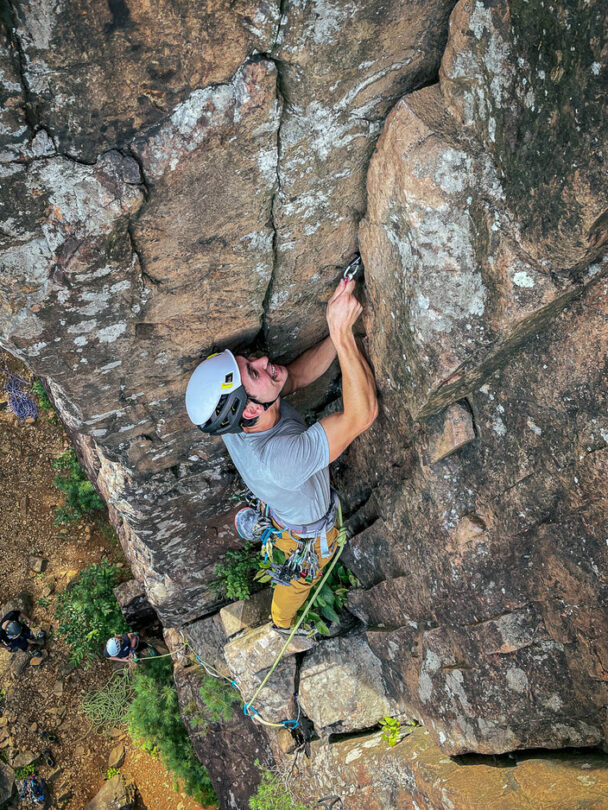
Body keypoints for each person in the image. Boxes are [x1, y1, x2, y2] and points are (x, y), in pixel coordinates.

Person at [185, 275, 378, 633]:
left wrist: (338, 325)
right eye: (253, 372)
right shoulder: (280, 459)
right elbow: (360, 415)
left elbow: (298, 377)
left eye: (251, 362)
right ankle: (282, 624)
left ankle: (265, 528)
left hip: (281, 502)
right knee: (298, 581)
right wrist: (342, 334)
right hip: (307, 532)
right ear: (248, 412)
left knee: (282, 523)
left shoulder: (249, 412)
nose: (264, 360)